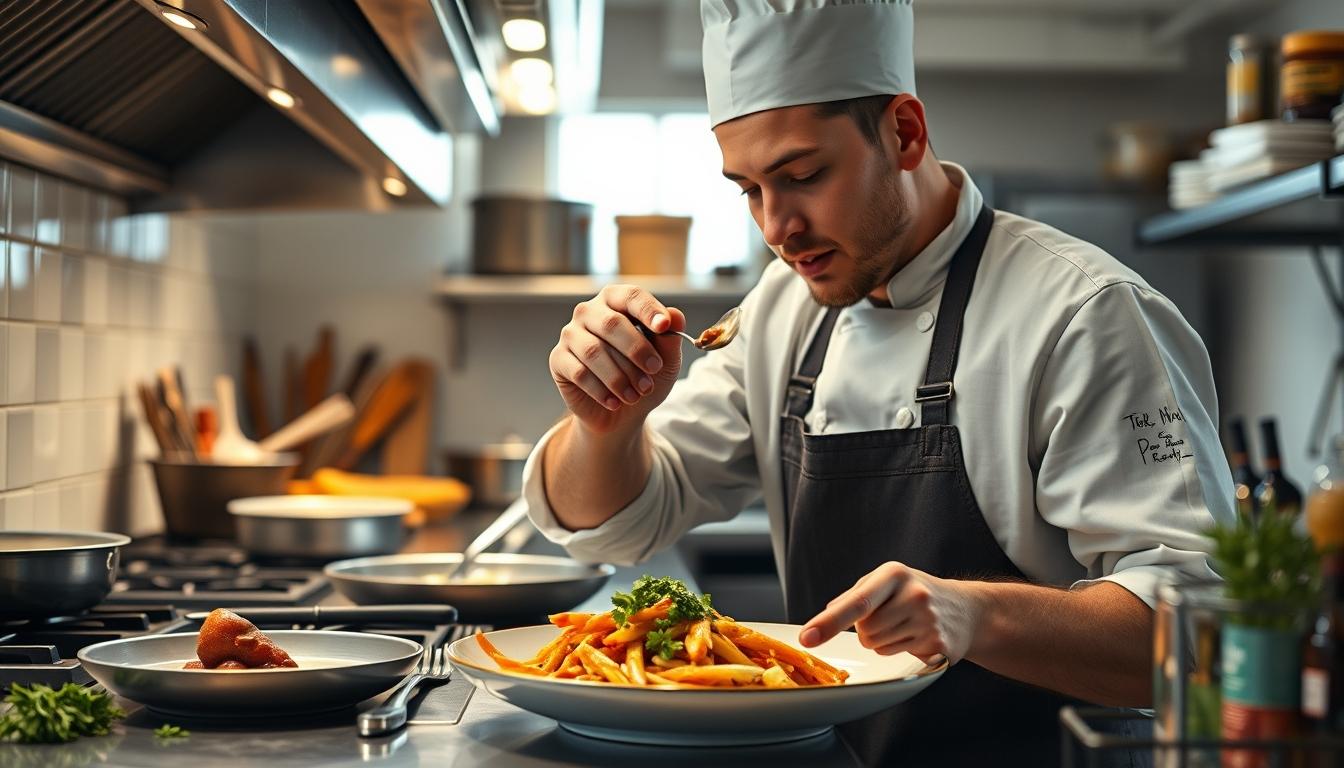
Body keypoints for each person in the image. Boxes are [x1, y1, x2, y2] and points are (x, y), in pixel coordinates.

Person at [521, 1, 1234, 764]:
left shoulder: (1085, 313)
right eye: (749, 189)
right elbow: (619, 523)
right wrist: (607, 421)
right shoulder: (782, 310)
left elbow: (1203, 636)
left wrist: (974, 617)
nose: (776, 227)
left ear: (905, 132)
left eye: (802, 176)